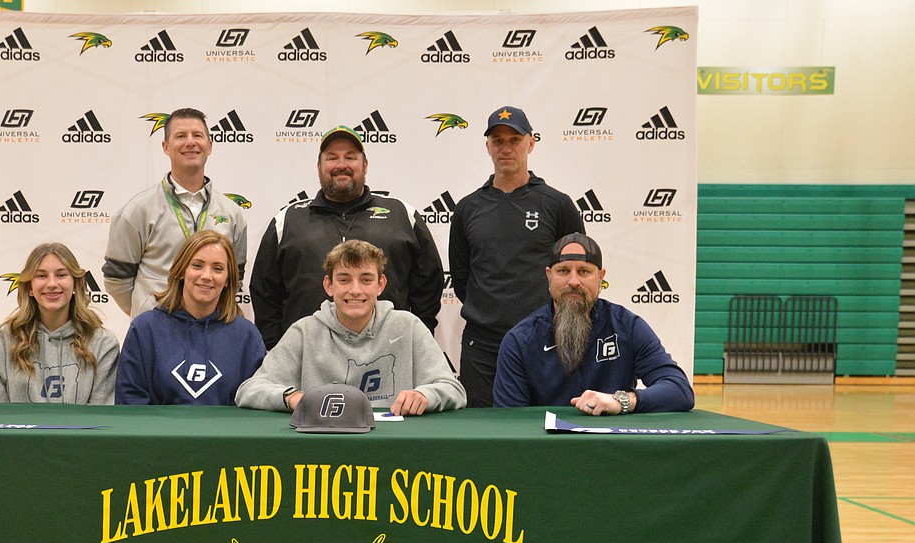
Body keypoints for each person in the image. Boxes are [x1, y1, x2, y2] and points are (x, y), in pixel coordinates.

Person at [249, 125, 444, 349]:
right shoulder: (288, 220)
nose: (341, 165)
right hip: (307, 354)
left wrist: (414, 342)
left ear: (365, 165)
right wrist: (280, 349)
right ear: (319, 166)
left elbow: (429, 287)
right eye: (332, 158)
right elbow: (265, 294)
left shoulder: (401, 215)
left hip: (387, 353)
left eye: (350, 157)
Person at [450, 105, 584, 408]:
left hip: (544, 340)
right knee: (481, 434)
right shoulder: (467, 208)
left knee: (543, 434)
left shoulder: (557, 204)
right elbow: (461, 278)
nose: (506, 148)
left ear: (531, 143)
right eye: (498, 141)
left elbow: (578, 267)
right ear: (488, 147)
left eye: (515, 140)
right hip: (482, 347)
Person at [236, 239, 465, 416]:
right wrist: (290, 397)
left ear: (380, 285)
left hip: (393, 446)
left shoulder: (409, 326)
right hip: (322, 447)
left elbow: (453, 389)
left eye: (366, 280)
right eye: (344, 280)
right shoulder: (304, 331)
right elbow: (249, 390)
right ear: (329, 285)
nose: (355, 290)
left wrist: (424, 395)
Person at [493, 233, 694, 414]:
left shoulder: (627, 327)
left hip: (614, 448)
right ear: (549, 276)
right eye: (563, 271)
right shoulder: (519, 340)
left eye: (584, 271)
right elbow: (510, 421)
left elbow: (679, 390)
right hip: (547, 450)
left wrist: (621, 401)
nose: (573, 281)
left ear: (601, 277)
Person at [103, 107, 247, 319]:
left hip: (211, 330)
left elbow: (235, 277)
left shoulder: (232, 213)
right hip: (157, 335)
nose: (190, 142)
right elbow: (117, 280)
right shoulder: (138, 210)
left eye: (197, 135)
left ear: (210, 146)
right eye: (181, 136)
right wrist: (148, 314)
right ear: (166, 147)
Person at [115, 230, 265, 405]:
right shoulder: (144, 329)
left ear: (227, 280)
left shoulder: (247, 336)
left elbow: (254, 403)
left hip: (225, 432)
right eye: (197, 265)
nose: (206, 276)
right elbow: (130, 402)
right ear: (181, 271)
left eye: (217, 268)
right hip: (158, 432)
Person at [0, 242, 118, 404]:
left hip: (78, 430)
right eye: (41, 276)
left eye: (61, 275)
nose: (52, 284)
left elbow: (101, 415)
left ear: (75, 284)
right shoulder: (1, 341)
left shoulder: (103, 344)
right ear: (29, 286)